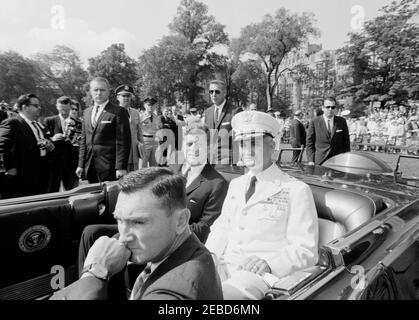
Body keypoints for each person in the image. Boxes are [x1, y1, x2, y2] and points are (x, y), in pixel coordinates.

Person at [51, 167, 223, 300]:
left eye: (138, 222)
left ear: (181, 221)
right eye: (119, 220)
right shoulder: (183, 250)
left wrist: (94, 274)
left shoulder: (173, 293)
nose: (124, 238)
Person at [77, 123, 228, 273]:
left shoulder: (216, 183)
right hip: (143, 224)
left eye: (200, 144)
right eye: (189, 144)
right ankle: (82, 286)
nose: (194, 149)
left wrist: (162, 226)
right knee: (91, 232)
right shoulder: (172, 169)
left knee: (114, 245)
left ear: (209, 147)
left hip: (171, 238)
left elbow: (205, 228)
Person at [205, 110, 319, 300]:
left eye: (254, 144)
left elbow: (305, 250)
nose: (247, 150)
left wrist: (269, 263)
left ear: (272, 146)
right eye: (242, 144)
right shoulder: (236, 185)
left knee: (218, 299)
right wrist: (209, 256)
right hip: (224, 266)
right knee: (180, 284)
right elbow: (223, 226)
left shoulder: (296, 190)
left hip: (259, 276)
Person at [76, 77, 131, 183]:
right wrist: (81, 164)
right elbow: (84, 141)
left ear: (109, 92)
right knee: (95, 198)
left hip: (110, 167)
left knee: (111, 198)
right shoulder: (86, 112)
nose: (99, 93)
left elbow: (123, 142)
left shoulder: (119, 112)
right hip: (91, 166)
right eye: (95, 90)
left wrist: (121, 167)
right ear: (91, 92)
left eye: (102, 90)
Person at [0, 93, 55, 198]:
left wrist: (50, 144)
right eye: (36, 105)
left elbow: (39, 141)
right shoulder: (13, 122)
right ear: (25, 107)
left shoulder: (37, 124)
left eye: (39, 105)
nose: (39, 108)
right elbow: (2, 146)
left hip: (41, 172)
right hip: (23, 176)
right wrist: (10, 168)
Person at [43, 96, 79, 192]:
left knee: (73, 192)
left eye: (66, 110)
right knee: (52, 192)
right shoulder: (49, 121)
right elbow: (42, 139)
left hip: (71, 164)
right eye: (61, 109)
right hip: (54, 163)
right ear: (56, 107)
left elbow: (81, 141)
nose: (64, 112)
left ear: (70, 107)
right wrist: (52, 138)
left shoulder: (78, 122)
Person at [204, 80, 241, 165]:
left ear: (224, 93)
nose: (213, 94)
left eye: (217, 91)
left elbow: (239, 140)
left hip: (228, 161)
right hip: (210, 161)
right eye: (211, 91)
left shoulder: (235, 111)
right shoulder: (207, 112)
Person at [306, 97, 350, 165]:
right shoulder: (315, 121)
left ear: (335, 108)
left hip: (338, 160)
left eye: (333, 107)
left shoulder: (341, 121)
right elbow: (309, 143)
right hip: (320, 160)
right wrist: (311, 160)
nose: (330, 109)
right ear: (323, 108)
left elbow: (346, 142)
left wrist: (347, 158)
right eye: (328, 107)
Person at [115, 84, 144, 172]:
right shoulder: (113, 113)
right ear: (117, 97)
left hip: (134, 150)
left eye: (128, 96)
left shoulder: (135, 113)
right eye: (123, 96)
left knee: (133, 177)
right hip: (120, 153)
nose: (126, 98)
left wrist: (142, 145)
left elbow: (139, 131)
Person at [139, 97, 163, 168]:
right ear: (144, 105)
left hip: (155, 142)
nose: (150, 107)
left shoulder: (157, 117)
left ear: (155, 106)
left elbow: (159, 130)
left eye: (153, 105)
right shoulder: (140, 116)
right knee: (143, 164)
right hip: (144, 141)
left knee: (154, 164)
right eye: (148, 105)